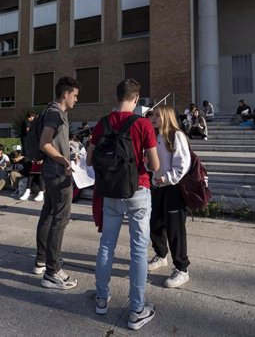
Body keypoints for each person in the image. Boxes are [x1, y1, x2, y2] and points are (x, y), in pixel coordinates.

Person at [87, 78, 159, 330]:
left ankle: (101, 298)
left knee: (106, 245)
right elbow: (155, 165)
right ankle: (137, 309)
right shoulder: (143, 124)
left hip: (110, 192)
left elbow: (88, 158)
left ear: (117, 96)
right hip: (138, 189)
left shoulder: (102, 123)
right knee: (138, 250)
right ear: (137, 98)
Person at [34, 76, 81, 289]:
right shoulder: (55, 113)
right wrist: (63, 160)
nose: (76, 100)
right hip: (58, 173)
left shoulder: (52, 111)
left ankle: (42, 261)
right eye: (75, 95)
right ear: (66, 94)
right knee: (60, 219)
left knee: (49, 213)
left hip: (52, 171)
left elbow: (53, 142)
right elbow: (45, 143)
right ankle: (53, 272)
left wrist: (69, 152)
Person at [147, 104, 192, 290]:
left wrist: (166, 178)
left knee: (175, 230)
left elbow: (183, 163)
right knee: (154, 223)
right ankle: (161, 255)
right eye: (153, 115)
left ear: (166, 117)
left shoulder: (176, 135)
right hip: (156, 186)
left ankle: (182, 269)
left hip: (172, 188)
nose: (153, 118)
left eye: (158, 115)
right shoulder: (154, 136)